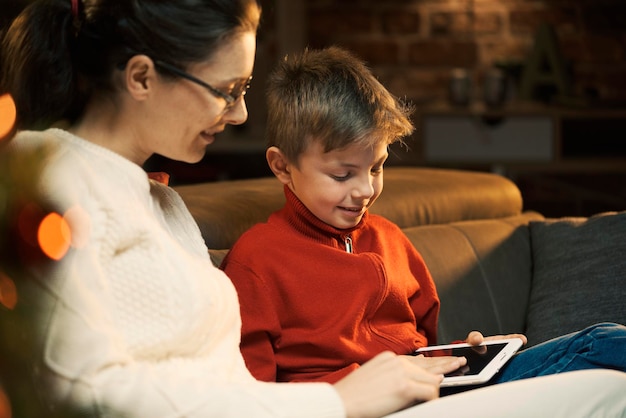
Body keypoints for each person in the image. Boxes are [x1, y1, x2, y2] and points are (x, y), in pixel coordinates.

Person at [1, 1, 625, 417]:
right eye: (227, 91)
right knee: (606, 387)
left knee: (607, 377)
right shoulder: (49, 183)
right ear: (141, 77)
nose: (240, 113)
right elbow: (77, 391)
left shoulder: (159, 200)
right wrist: (339, 401)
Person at [220, 46, 626, 388]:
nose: (365, 190)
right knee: (596, 350)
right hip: (361, 405)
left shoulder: (391, 240)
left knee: (603, 354)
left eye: (376, 167)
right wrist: (371, 380)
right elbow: (254, 396)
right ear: (282, 166)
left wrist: (457, 354)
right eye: (342, 174)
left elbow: (416, 348)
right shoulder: (256, 260)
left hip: (434, 394)